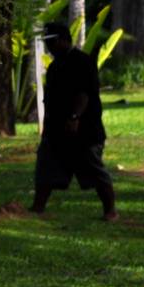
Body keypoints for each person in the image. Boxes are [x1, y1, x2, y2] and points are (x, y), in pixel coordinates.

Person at [32, 20, 117, 221]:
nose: (49, 47)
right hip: (56, 130)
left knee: (94, 169)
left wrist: (74, 117)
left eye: (52, 42)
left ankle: (110, 210)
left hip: (84, 130)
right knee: (45, 168)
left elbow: (84, 93)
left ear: (63, 40)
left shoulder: (82, 62)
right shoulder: (54, 67)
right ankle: (37, 207)